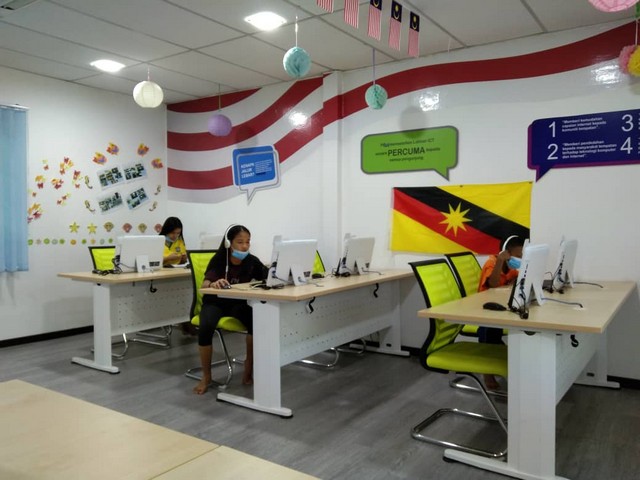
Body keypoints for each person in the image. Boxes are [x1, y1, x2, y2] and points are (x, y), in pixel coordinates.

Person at [193, 224, 268, 394]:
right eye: (240, 242)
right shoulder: (219, 259)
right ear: (229, 243)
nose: (245, 246)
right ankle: (206, 376)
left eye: (248, 242)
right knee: (206, 327)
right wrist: (213, 283)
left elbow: (267, 276)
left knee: (257, 322)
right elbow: (204, 284)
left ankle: (248, 367)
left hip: (238, 303)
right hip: (215, 302)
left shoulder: (251, 261)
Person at [477, 234, 525, 389]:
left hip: (498, 307)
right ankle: (487, 373)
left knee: (496, 332)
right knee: (488, 331)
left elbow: (517, 277)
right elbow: (493, 283)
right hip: (483, 309)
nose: (520, 258)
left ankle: (500, 355)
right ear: (506, 253)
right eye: (518, 255)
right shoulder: (492, 263)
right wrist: (499, 261)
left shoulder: (510, 267)